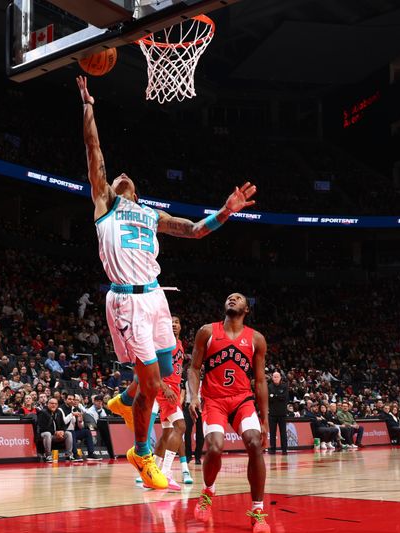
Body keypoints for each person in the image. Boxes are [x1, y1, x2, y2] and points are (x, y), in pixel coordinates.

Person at [76, 76, 257, 490]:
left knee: (156, 374)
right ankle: (141, 453)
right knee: (154, 384)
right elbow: (94, 151)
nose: (120, 175)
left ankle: (124, 402)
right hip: (126, 302)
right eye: (114, 176)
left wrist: (225, 212)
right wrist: (89, 105)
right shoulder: (104, 204)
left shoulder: (151, 213)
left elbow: (194, 230)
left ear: (136, 191)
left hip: (157, 297)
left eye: (127, 177)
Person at [187, 293, 269, 532]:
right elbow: (193, 368)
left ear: (247, 309)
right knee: (214, 447)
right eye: (229, 297)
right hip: (214, 400)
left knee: (255, 443)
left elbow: (261, 381)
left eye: (238, 298)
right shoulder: (207, 332)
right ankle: (208, 491)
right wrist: (194, 396)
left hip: (242, 400)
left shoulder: (256, 339)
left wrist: (264, 418)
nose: (232, 299)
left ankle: (258, 510)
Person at [151, 316, 192, 488]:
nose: (174, 324)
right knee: (181, 426)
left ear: (180, 327)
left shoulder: (180, 344)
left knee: (167, 433)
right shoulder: (163, 343)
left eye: (177, 322)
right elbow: (154, 370)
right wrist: (165, 388)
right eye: (171, 322)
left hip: (174, 389)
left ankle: (152, 474)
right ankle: (166, 472)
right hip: (165, 389)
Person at [37, 398, 73, 462]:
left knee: (68, 433)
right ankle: (48, 455)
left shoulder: (58, 412)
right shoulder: (43, 412)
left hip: (55, 435)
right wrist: (55, 432)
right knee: (47, 434)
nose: (54, 405)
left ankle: (69, 455)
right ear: (48, 404)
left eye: (55, 404)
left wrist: (62, 431)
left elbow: (63, 425)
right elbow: (42, 428)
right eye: (52, 403)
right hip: (43, 434)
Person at [267, 371, 289, 455]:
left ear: (280, 378)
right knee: (272, 433)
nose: (276, 378)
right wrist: (277, 396)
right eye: (274, 377)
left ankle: (284, 450)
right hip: (272, 414)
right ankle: (272, 449)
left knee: (283, 433)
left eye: (277, 377)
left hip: (282, 413)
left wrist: (274, 396)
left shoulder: (284, 386)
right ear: (272, 378)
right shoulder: (269, 387)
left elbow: (285, 398)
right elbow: (269, 398)